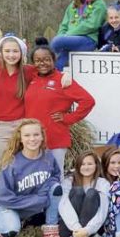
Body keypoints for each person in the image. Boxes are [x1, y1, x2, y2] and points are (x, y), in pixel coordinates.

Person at [0, 119, 64, 237]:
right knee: (10, 231)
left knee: (56, 188)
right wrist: (37, 200)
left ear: (42, 137)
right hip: (5, 205)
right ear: (20, 139)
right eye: (27, 135)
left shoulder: (48, 156)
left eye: (36, 135)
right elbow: (2, 198)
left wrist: (44, 191)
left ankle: (51, 231)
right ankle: (4, 227)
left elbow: (55, 176)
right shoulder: (12, 164)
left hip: (31, 203)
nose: (32, 139)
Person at [25, 38, 95, 169]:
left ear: (54, 60)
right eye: (38, 61)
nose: (42, 63)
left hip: (55, 139)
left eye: (46, 59)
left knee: (56, 178)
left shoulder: (62, 80)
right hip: (33, 140)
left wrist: (68, 118)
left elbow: (88, 101)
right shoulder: (32, 77)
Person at [0, 34, 36, 166]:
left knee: (22, 165)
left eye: (15, 51)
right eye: (7, 51)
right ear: (1, 52)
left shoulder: (28, 71)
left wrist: (65, 75)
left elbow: (49, 71)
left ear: (22, 53)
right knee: (1, 165)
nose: (11, 55)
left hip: (21, 126)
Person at [51, 151, 112, 237]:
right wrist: (78, 228)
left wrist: (87, 230)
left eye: (90, 164)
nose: (86, 167)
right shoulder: (68, 181)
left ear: (96, 165)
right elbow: (63, 205)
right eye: (83, 164)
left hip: (92, 229)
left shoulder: (102, 183)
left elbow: (103, 210)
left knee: (92, 193)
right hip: (70, 228)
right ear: (78, 166)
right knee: (77, 191)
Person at [51, 0, 107, 69]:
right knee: (59, 63)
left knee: (56, 42)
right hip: (70, 39)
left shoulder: (99, 4)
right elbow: (64, 24)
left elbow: (91, 25)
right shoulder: (73, 5)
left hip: (88, 40)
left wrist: (67, 36)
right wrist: (62, 34)